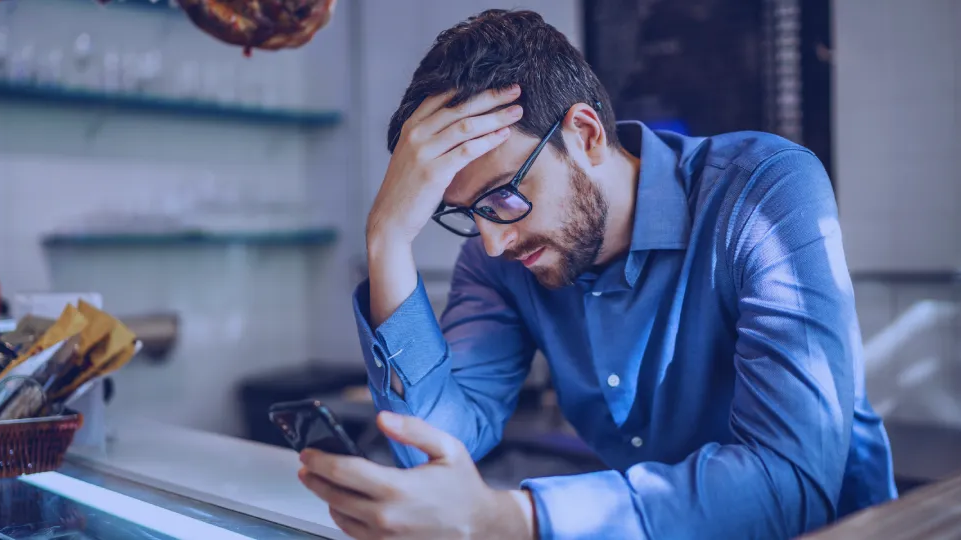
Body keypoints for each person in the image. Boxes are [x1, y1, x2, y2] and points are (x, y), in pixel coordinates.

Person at [296, 9, 897, 540]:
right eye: (467, 213)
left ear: (583, 135)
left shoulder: (765, 191)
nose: (493, 240)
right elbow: (427, 443)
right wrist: (388, 239)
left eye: (505, 196)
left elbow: (788, 485)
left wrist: (513, 519)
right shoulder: (498, 251)